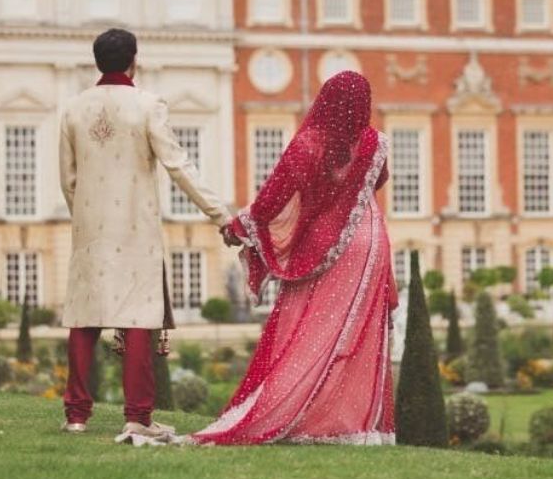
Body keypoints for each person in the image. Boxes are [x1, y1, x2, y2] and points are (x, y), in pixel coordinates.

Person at [193, 71, 399, 445]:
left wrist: (239, 227)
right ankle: (355, 426)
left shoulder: (308, 145)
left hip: (323, 244)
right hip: (370, 242)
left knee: (303, 331)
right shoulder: (376, 143)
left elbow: (273, 197)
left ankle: (297, 414)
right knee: (358, 336)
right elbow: (377, 181)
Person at [58, 28, 231, 438]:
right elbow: (178, 166)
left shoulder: (73, 109)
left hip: (89, 230)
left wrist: (84, 217)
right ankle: (138, 417)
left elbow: (68, 179)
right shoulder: (147, 105)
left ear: (96, 62)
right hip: (136, 229)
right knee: (138, 321)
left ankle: (76, 417)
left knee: (83, 320)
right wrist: (220, 214)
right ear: (135, 60)